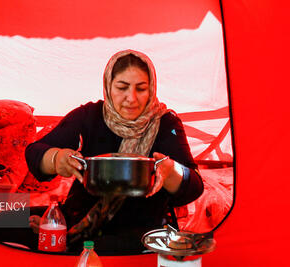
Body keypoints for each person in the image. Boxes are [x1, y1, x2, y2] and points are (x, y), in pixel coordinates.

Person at [24, 49, 204, 254]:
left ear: (152, 88)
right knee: (0, 217)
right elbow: (35, 152)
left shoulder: (164, 123)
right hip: (78, 217)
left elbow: (195, 185)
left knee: (101, 249)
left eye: (141, 89)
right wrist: (56, 159)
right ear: (108, 87)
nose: (132, 98)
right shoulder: (90, 116)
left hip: (141, 229)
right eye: (122, 87)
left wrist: (171, 171)